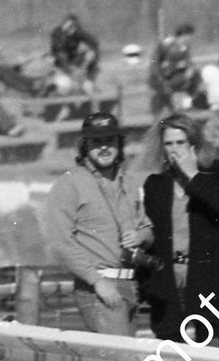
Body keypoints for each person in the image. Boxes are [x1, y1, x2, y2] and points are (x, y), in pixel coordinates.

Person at [47, 112, 153, 336]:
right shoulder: (69, 183)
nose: (104, 147)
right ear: (85, 145)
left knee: (125, 356)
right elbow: (60, 243)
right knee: (119, 355)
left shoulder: (129, 183)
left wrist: (141, 236)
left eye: (110, 140)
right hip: (99, 289)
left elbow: (147, 228)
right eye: (97, 141)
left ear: (119, 144)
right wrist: (96, 281)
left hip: (130, 285)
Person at [139, 114, 219, 344]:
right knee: (172, 356)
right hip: (169, 280)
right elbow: (153, 235)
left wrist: (192, 175)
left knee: (212, 355)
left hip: (209, 279)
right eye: (169, 144)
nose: (175, 149)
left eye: (181, 142)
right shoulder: (155, 184)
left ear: (194, 144)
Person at [148, 23, 200, 115]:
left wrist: (190, 69)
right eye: (189, 36)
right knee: (176, 82)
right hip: (162, 77)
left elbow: (187, 62)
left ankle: (189, 101)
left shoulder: (185, 48)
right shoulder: (167, 44)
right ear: (183, 35)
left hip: (174, 76)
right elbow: (154, 63)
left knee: (195, 74)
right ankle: (170, 104)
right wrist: (160, 78)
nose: (190, 39)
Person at [51, 14, 99, 93]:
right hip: (62, 63)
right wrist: (64, 34)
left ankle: (88, 82)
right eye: (69, 26)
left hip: (74, 60)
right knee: (61, 55)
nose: (72, 29)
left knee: (89, 54)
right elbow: (56, 48)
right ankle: (71, 79)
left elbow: (93, 42)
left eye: (73, 26)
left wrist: (91, 52)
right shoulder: (58, 32)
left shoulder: (77, 32)